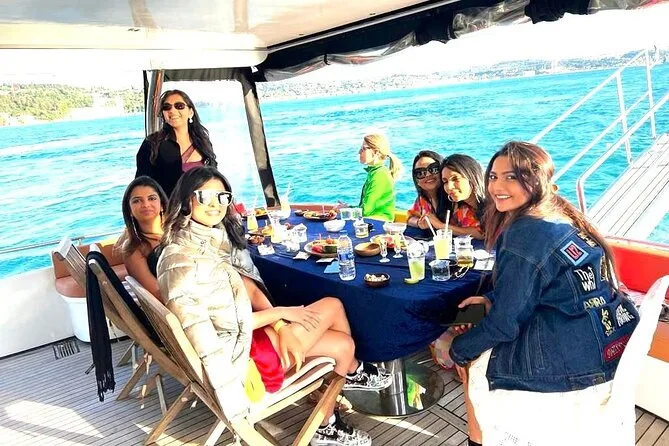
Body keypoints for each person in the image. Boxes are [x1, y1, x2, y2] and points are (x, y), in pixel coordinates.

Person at [158, 166, 392, 446]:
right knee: (333, 309)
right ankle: (348, 378)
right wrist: (281, 313)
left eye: (222, 196)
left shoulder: (202, 243)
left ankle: (329, 418)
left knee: (343, 344)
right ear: (186, 200)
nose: (216, 204)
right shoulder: (182, 260)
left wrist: (281, 326)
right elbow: (217, 327)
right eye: (205, 196)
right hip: (236, 366)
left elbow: (246, 289)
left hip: (242, 342)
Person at [449, 141, 639, 445]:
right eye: (493, 176)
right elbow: (546, 282)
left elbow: (503, 325)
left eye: (512, 177)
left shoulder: (525, 233)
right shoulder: (563, 216)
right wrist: (491, 299)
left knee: (471, 359)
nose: (497, 186)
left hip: (571, 368)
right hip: (606, 347)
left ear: (536, 180)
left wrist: (458, 351)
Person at [135, 89, 217, 197]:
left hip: (203, 204)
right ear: (163, 114)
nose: (172, 110)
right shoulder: (152, 144)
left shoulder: (203, 142)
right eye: (167, 107)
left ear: (190, 112)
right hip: (170, 206)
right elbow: (142, 185)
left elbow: (214, 178)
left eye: (179, 106)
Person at [114, 176, 168, 301]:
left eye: (152, 198)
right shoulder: (134, 249)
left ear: (162, 205)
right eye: (137, 201)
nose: (146, 204)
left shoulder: (178, 233)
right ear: (130, 210)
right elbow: (156, 294)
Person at [356, 133, 403, 221]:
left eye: (363, 149)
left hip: (378, 223)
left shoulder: (380, 175)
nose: (359, 152)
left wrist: (345, 209)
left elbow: (365, 211)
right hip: (373, 221)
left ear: (376, 152)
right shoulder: (375, 172)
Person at [440, 154, 485, 240]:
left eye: (455, 179)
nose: (449, 187)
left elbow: (483, 234)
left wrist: (441, 226)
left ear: (472, 176)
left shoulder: (495, 205)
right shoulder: (462, 209)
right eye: (445, 182)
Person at [406, 150, 449, 230]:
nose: (428, 174)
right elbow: (410, 218)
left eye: (433, 169)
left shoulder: (454, 197)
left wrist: (440, 225)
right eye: (420, 173)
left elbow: (475, 231)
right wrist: (419, 222)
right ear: (417, 181)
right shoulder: (423, 198)